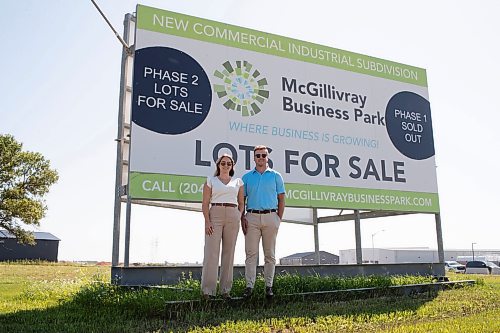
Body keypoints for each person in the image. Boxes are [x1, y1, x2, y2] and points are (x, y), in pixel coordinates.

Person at [241, 145, 285, 298]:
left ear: (267, 157)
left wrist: (278, 218)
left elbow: (281, 199)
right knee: (251, 254)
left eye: (263, 155)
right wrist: (242, 218)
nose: (261, 158)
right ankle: (249, 287)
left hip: (271, 217)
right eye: (258, 155)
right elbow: (242, 200)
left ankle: (269, 286)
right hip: (251, 217)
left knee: (270, 255)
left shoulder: (276, 176)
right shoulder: (246, 177)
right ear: (253, 158)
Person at [201, 154, 244, 299]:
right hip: (215, 214)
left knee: (229, 253)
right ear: (218, 165)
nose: (226, 166)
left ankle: (225, 290)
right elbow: (205, 203)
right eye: (223, 163)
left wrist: (238, 214)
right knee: (211, 252)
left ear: (232, 166)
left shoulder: (238, 182)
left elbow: (241, 202)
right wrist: (207, 221)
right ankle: (208, 291)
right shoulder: (211, 181)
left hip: (233, 214)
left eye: (229, 164)